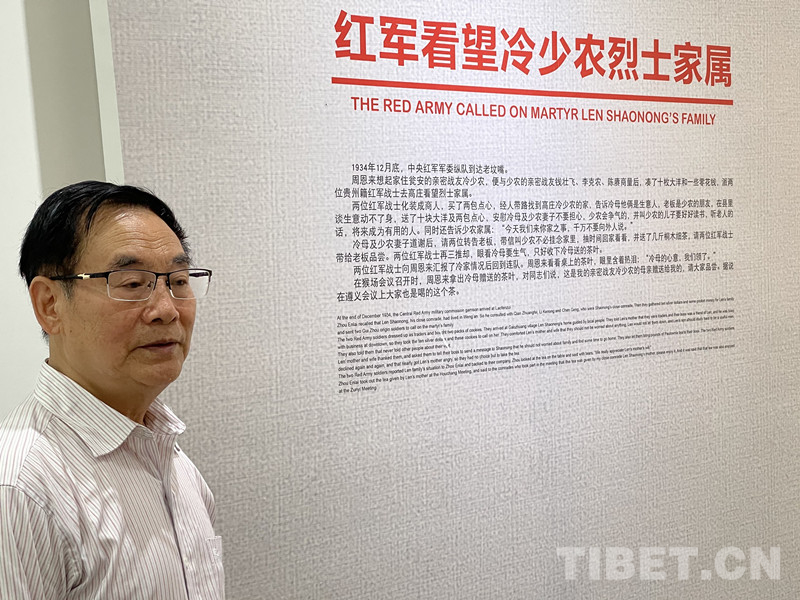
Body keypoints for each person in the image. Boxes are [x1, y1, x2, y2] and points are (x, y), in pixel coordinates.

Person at [0, 181, 224, 599]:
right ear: (50, 305)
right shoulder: (20, 489)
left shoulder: (168, 456)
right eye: (132, 283)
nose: (166, 309)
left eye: (178, 280)